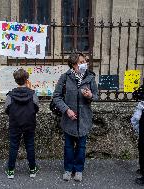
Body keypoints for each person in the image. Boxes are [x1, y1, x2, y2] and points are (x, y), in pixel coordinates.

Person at [53, 52, 98, 181]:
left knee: (81, 147)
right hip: (69, 119)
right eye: (81, 62)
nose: (85, 64)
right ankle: (68, 169)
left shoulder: (90, 77)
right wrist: (67, 110)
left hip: (84, 119)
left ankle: (78, 169)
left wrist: (90, 96)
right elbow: (57, 97)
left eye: (85, 61)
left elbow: (96, 95)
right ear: (73, 64)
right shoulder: (65, 77)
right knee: (68, 147)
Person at [4, 68, 39, 179]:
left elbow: (6, 109)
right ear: (27, 79)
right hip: (29, 123)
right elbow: (36, 107)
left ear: (16, 80)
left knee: (14, 146)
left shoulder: (10, 95)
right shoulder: (32, 94)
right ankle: (32, 169)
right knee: (30, 145)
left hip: (15, 123)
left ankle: (10, 170)